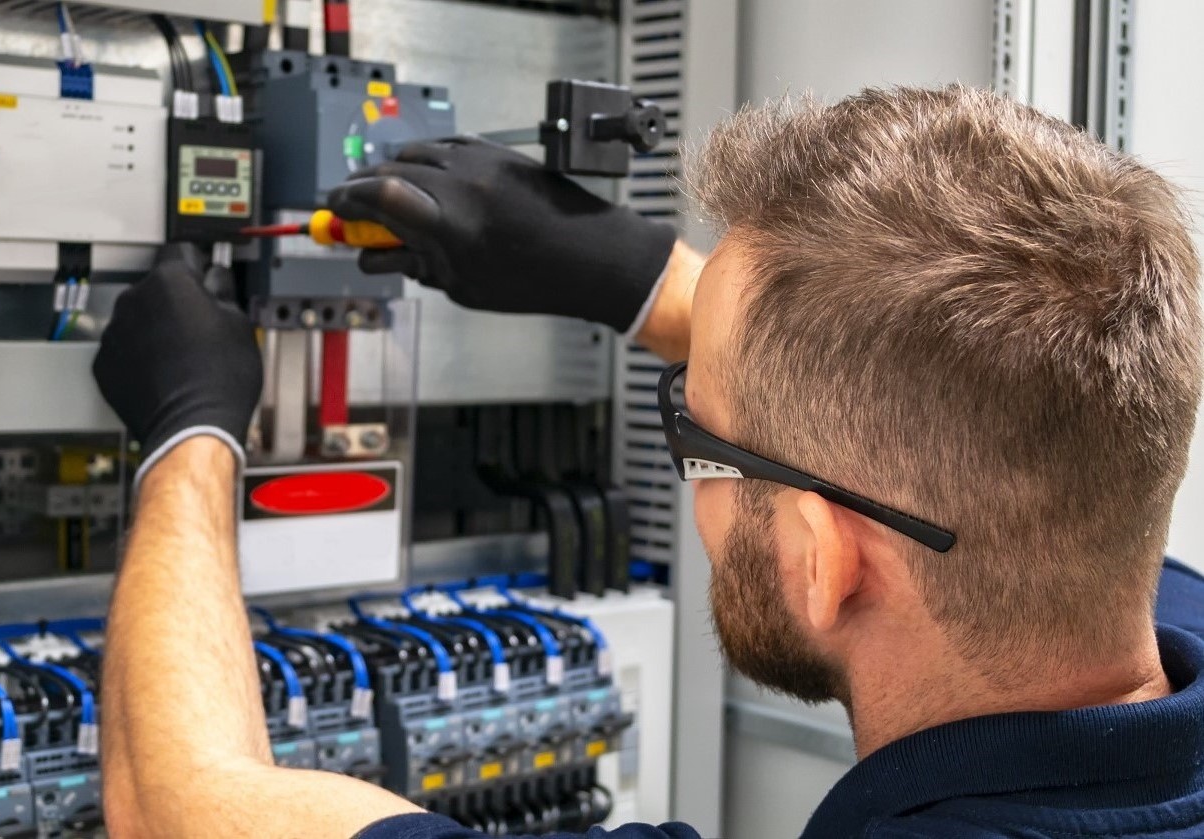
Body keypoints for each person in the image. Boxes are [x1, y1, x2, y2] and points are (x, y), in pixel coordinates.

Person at [90, 86, 1204, 838]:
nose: (689, 459)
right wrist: (642, 279)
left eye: (695, 434)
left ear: (823, 558)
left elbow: (170, 795)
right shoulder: (1108, 574)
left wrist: (191, 429)